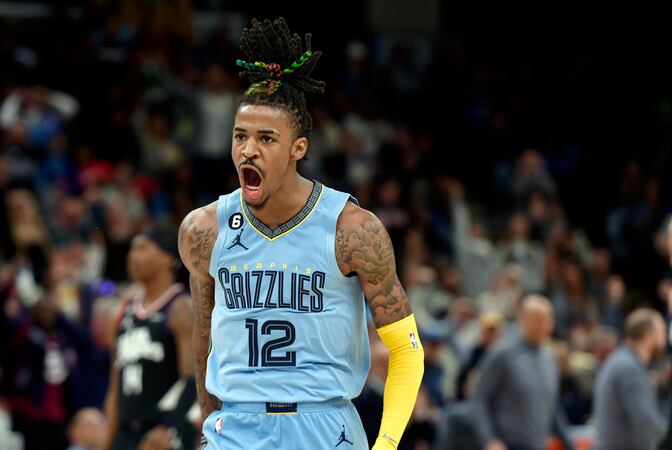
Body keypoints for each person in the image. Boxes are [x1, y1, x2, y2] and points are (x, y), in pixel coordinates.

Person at [178, 18, 424, 450]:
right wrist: (207, 427)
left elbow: (406, 350)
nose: (248, 150)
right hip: (235, 427)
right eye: (240, 136)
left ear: (299, 148)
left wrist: (386, 443)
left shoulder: (353, 229)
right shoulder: (203, 230)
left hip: (325, 426)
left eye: (266, 139)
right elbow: (204, 339)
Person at [104, 226, 197, 450]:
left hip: (163, 432)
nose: (131, 256)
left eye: (142, 248)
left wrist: (168, 427)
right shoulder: (124, 311)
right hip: (126, 433)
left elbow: (193, 377)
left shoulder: (180, 307)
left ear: (168, 257)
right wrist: (108, 441)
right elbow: (115, 387)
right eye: (131, 249)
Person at [472, 296, 572, 450]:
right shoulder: (502, 353)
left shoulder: (549, 359)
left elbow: (551, 407)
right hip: (506, 444)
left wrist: (568, 443)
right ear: (522, 320)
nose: (542, 323)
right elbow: (480, 398)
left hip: (537, 444)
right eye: (536, 318)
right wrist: (489, 440)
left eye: (546, 318)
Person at [593, 308, 668, 450]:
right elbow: (645, 422)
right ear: (649, 336)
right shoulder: (629, 368)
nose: (665, 336)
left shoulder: (622, 360)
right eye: (662, 330)